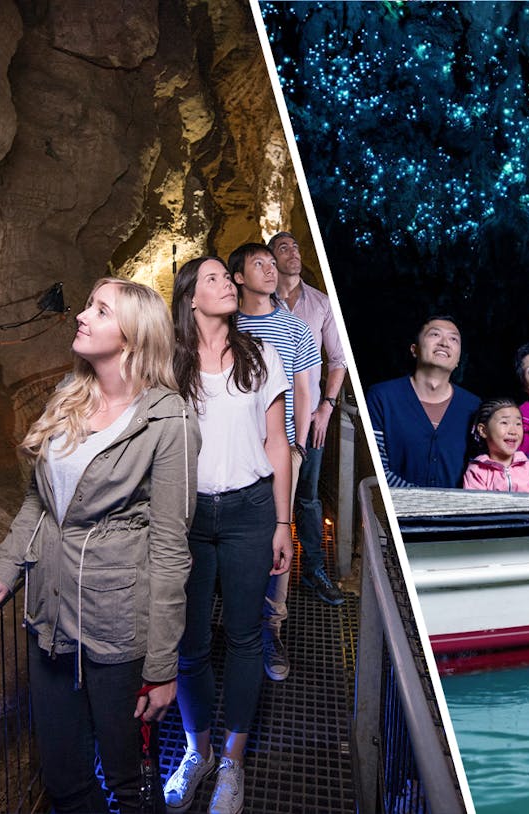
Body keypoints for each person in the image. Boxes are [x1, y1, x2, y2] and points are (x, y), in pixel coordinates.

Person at [0, 278, 199, 814]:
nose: (82, 316)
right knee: (64, 779)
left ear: (132, 336)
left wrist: (161, 665)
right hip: (49, 620)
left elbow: (171, 549)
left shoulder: (168, 419)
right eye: (89, 305)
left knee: (129, 782)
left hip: (117, 627)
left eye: (99, 310)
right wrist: (3, 570)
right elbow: (39, 506)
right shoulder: (70, 395)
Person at [165, 256, 294, 814]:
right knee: (190, 646)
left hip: (249, 512)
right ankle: (199, 753)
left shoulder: (262, 355)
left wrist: (284, 522)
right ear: (191, 296)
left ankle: (234, 762)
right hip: (187, 520)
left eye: (227, 276)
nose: (226, 284)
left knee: (244, 638)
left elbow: (277, 443)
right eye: (214, 277)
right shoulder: (167, 363)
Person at [230, 242, 319, 683]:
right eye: (258, 264)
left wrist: (299, 446)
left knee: (280, 538)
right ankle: (238, 626)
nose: (269, 269)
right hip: (233, 448)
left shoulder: (296, 329)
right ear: (239, 277)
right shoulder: (226, 327)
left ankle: (271, 629)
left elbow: (305, 391)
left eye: (271, 262)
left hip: (280, 448)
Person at [268, 231, 348, 609]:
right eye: (283, 248)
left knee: (309, 498)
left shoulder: (320, 303)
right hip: (266, 422)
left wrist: (326, 408)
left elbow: (338, 359)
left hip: (309, 418)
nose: (293, 252)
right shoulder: (260, 305)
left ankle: (313, 569)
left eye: (296, 246)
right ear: (270, 259)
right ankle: (262, 573)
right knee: (265, 498)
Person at [365, 315, 479, 488]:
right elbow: (376, 467)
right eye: (435, 335)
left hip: (456, 513)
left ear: (458, 360)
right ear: (414, 349)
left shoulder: (474, 407)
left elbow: (479, 470)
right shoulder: (382, 397)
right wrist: (422, 503)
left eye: (453, 339)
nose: (444, 343)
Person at [462, 397, 529, 492]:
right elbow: (476, 505)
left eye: (518, 424)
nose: (513, 431)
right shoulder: (477, 470)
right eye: (504, 423)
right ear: (483, 430)